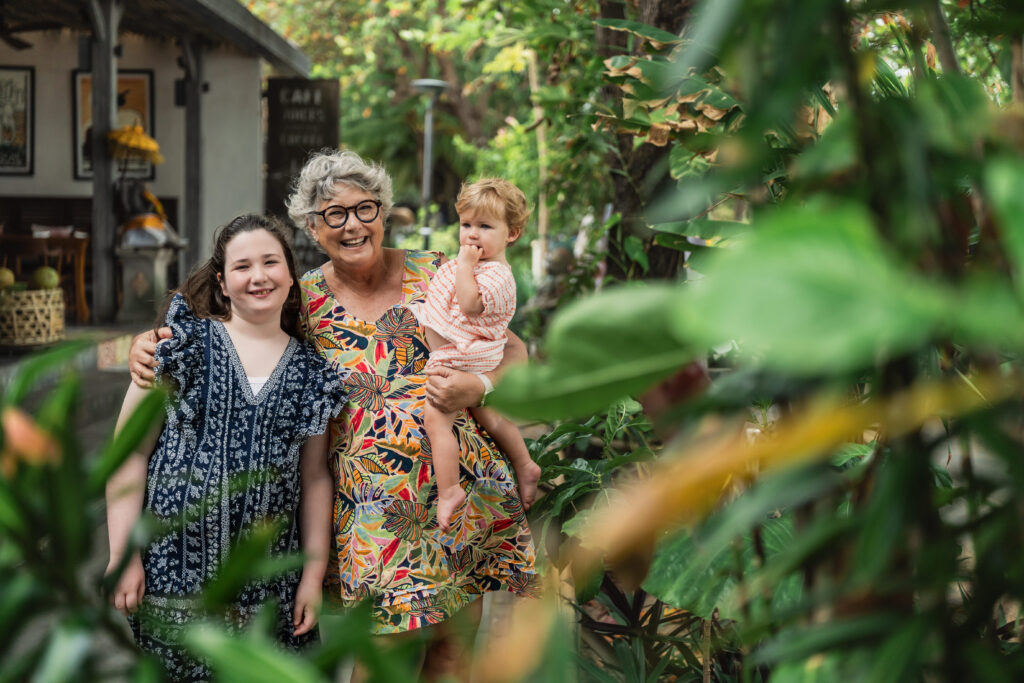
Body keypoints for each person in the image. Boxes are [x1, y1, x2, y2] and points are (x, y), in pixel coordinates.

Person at [129, 151, 538, 681]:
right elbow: (226, 329)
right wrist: (148, 343)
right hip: (370, 510)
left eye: (364, 208)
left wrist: (479, 385)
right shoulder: (302, 301)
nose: (352, 225)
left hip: (454, 489)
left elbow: (515, 352)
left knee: (455, 646)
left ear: (384, 211)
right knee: (384, 653)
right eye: (333, 214)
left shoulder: (437, 271)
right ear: (312, 228)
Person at [109, 214, 348, 680]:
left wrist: (313, 577)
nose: (258, 276)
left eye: (270, 262)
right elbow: (128, 456)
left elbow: (315, 477)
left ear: (290, 275)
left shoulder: (313, 376)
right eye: (242, 266)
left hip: (270, 595)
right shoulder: (179, 347)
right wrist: (122, 556)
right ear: (222, 281)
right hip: (170, 582)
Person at [411, 178, 541, 531]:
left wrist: (465, 265)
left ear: (511, 234)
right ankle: (525, 463)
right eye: (466, 224)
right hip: (470, 352)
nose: (471, 235)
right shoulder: (481, 267)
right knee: (491, 416)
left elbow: (469, 305)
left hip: (465, 355)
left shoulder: (496, 276)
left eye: (484, 227)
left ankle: (449, 488)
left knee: (437, 419)